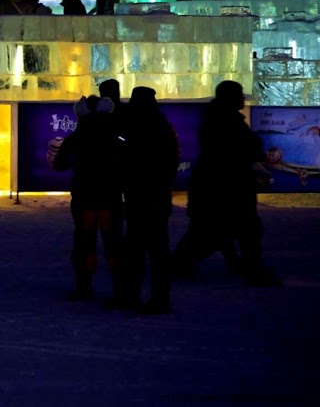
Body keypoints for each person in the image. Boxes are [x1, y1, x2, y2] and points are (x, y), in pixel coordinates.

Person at [172, 80, 278, 285]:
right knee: (230, 231)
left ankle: (181, 264)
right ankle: (251, 270)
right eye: (239, 94)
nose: (243, 98)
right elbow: (240, 149)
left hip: (222, 184)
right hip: (226, 186)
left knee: (215, 231)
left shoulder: (219, 118)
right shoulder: (225, 120)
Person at [53, 96, 124, 300]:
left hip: (84, 197)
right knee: (113, 243)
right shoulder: (116, 138)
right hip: (110, 197)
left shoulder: (76, 138)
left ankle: (84, 286)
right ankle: (120, 290)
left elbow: (59, 164)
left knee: (84, 242)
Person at [115, 87, 178, 314]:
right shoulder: (161, 126)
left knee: (136, 250)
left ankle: (132, 296)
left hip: (140, 197)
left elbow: (125, 158)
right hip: (156, 197)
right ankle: (158, 298)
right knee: (156, 251)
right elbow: (171, 161)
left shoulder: (134, 127)